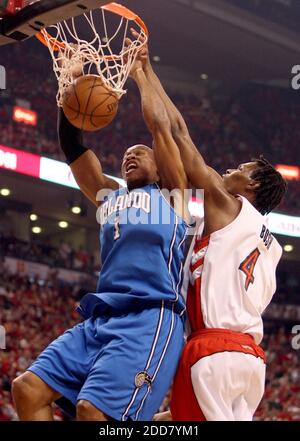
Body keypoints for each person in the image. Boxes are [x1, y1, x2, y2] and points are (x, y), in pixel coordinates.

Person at [11, 49, 192, 421]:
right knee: (26, 390)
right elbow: (73, 146)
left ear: (161, 166)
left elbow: (161, 128)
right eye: (126, 154)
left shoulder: (174, 197)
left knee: (92, 412)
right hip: (100, 317)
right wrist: (70, 86)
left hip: (149, 318)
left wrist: (141, 73)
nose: (130, 156)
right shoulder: (109, 195)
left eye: (140, 153)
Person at [130, 31, 287, 421]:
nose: (229, 171)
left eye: (239, 170)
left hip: (212, 348)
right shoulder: (268, 242)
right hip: (251, 362)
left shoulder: (228, 205)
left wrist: (144, 72)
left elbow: (179, 133)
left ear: (251, 186)